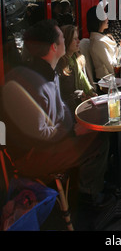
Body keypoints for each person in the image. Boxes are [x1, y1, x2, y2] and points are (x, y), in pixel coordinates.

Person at [1, 19, 111, 209]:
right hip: (31, 156)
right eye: (62, 36)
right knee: (99, 141)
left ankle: (90, 184)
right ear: (54, 47)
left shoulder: (48, 72)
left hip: (46, 145)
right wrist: (74, 132)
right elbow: (38, 134)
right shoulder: (33, 82)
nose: (66, 39)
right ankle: (89, 195)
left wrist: (77, 123)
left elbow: (58, 112)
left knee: (99, 130)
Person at [57, 25, 96, 117]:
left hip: (81, 106)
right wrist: (79, 97)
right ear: (66, 42)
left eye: (77, 38)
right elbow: (61, 98)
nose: (78, 41)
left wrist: (88, 96)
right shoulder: (60, 66)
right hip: (70, 114)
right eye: (74, 39)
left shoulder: (78, 60)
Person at [87, 5, 121, 80]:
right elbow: (111, 67)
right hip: (106, 81)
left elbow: (113, 56)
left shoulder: (101, 37)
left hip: (112, 78)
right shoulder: (98, 41)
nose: (107, 17)